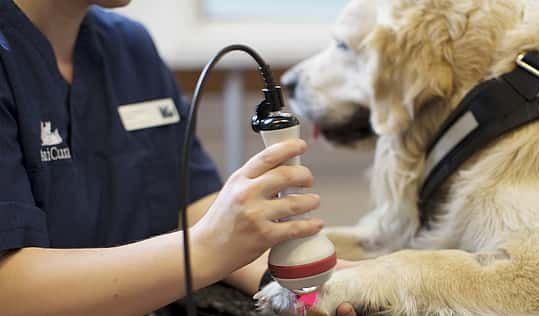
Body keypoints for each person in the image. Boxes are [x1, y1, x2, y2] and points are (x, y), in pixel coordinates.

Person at [0, 0, 356, 315]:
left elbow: (190, 208)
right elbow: (8, 290)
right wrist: (203, 249)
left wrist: (299, 283)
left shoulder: (128, 47)